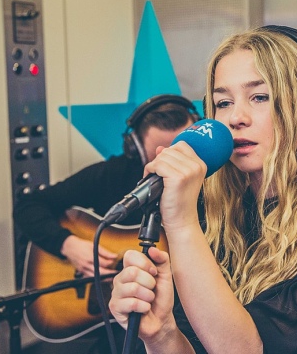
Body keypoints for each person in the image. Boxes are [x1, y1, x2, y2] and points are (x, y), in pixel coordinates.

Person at [108, 25, 297, 354]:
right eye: (223, 102)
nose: (235, 118)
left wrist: (181, 223)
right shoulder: (209, 226)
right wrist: (162, 335)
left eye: (259, 97)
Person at [13, 94, 199, 352]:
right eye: (158, 154)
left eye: (180, 152)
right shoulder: (112, 175)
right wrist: (68, 244)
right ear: (134, 147)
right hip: (117, 323)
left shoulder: (218, 187)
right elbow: (28, 207)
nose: (171, 164)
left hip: (184, 322)